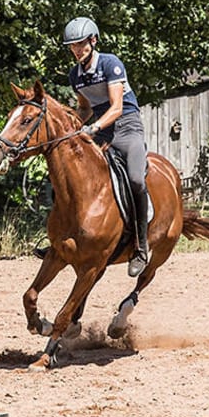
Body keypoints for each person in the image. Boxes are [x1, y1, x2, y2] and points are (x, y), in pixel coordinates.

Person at [63, 16, 150, 277]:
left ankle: (141, 247)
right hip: (101, 130)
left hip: (126, 127)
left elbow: (117, 107)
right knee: (70, 172)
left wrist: (93, 128)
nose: (77, 50)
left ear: (93, 41)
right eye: (73, 46)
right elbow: (85, 108)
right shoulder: (75, 76)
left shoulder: (110, 64)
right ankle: (61, 238)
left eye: (81, 44)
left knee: (136, 179)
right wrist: (72, 128)